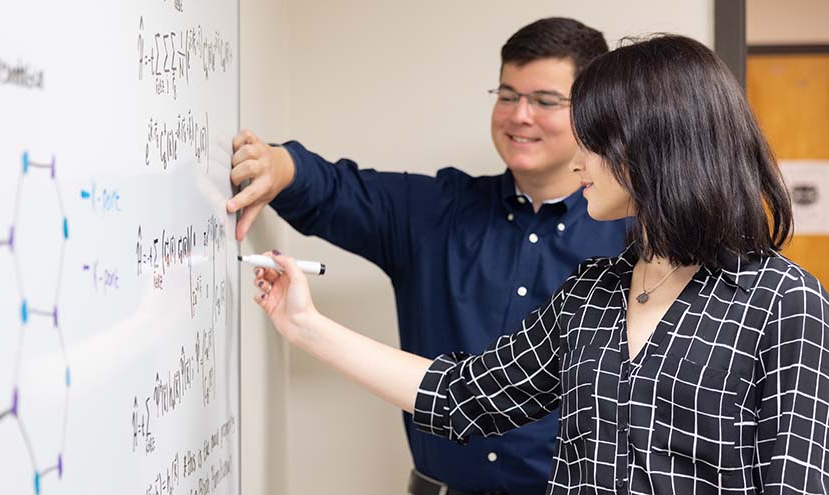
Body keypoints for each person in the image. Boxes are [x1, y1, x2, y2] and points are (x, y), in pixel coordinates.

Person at [250, 34, 829, 494]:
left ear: (655, 146)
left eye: (593, 140)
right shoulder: (591, 294)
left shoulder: (783, 301)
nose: (578, 161)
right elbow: (462, 396)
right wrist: (304, 324)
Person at [227, 18, 628, 494]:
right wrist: (280, 164)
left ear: (592, 112)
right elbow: (339, 192)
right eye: (507, 95)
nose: (520, 115)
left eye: (544, 101)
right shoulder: (440, 210)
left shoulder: (635, 240)